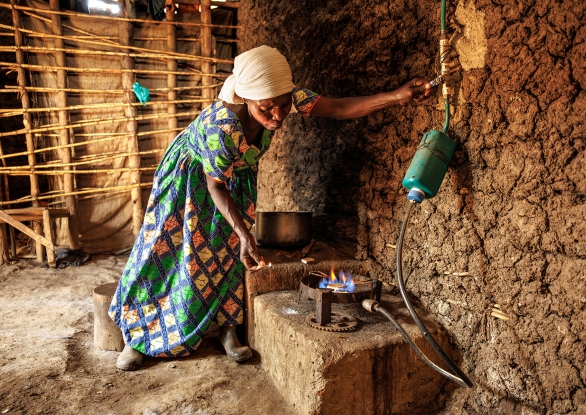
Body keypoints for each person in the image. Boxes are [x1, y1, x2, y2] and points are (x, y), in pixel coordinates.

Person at [108, 45, 434, 371]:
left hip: (234, 176)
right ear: (246, 100)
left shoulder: (281, 97)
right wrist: (244, 232)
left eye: (283, 105)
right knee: (166, 250)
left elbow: (336, 108)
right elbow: (215, 186)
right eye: (266, 109)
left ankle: (228, 328)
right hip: (191, 179)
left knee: (228, 251)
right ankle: (138, 335)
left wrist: (395, 96)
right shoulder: (221, 129)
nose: (277, 116)